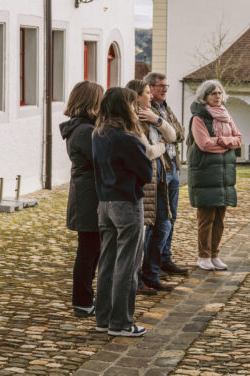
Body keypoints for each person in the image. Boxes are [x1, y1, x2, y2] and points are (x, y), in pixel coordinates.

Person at [92, 87, 154, 336]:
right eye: (132, 104)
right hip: (126, 203)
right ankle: (121, 322)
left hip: (105, 202)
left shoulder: (99, 134)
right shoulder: (127, 139)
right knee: (127, 265)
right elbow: (146, 172)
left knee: (107, 262)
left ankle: (103, 318)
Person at [126, 79, 177, 294]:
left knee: (163, 226)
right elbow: (147, 152)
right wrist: (162, 147)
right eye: (147, 92)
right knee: (147, 230)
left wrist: (158, 120)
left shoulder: (151, 114)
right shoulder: (133, 120)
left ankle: (151, 275)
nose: (151, 96)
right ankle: (140, 278)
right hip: (147, 182)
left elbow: (173, 135)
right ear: (136, 96)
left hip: (160, 178)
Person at [59, 81, 105, 318]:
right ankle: (83, 301)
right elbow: (100, 161)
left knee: (90, 249)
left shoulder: (82, 128)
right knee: (88, 251)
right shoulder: (85, 131)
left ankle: (85, 298)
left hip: (87, 195)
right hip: (88, 198)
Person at [187, 79, 242, 271]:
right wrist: (227, 143)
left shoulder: (226, 115)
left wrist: (219, 140)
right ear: (205, 97)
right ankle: (203, 256)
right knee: (206, 219)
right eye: (213, 93)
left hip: (224, 176)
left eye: (219, 93)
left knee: (219, 219)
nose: (217, 96)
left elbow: (239, 139)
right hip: (205, 175)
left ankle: (214, 254)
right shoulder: (198, 118)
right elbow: (204, 144)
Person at [144, 72, 188, 278]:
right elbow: (164, 136)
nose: (164, 89)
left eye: (166, 85)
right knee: (159, 220)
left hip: (173, 167)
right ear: (149, 87)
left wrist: (163, 125)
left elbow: (179, 133)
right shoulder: (146, 110)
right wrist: (166, 129)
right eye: (160, 85)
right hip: (160, 170)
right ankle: (151, 265)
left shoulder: (165, 108)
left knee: (172, 217)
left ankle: (164, 258)